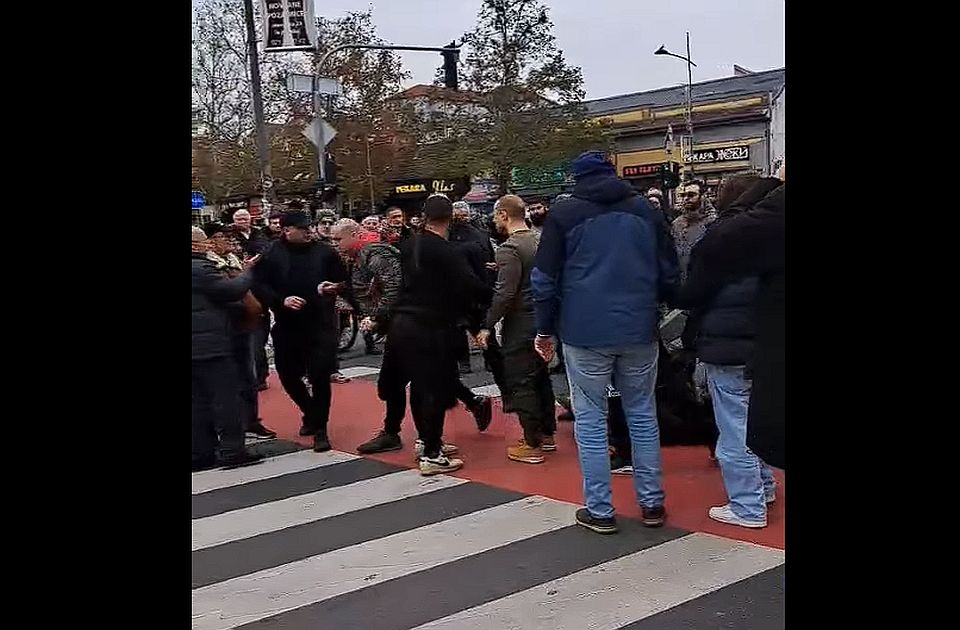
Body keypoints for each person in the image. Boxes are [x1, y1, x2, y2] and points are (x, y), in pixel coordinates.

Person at [531, 151, 679, 534]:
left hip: (583, 330)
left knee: (592, 420)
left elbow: (544, 280)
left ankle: (600, 508)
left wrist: (545, 329)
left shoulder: (564, 213)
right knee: (643, 415)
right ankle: (651, 502)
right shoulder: (646, 211)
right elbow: (669, 270)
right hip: (638, 326)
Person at [377, 195, 492, 474]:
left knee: (420, 386)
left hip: (403, 322)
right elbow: (470, 286)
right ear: (450, 217)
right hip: (431, 325)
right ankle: (431, 453)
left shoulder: (410, 244)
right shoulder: (446, 250)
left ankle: (427, 442)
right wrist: (494, 294)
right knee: (433, 390)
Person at [681, 169, 784, 471]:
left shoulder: (741, 238)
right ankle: (762, 490)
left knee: (735, 426)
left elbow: (719, 240)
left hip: (730, 344)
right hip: (756, 343)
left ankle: (748, 503)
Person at [252, 210, 347, 452]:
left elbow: (344, 280)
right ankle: (310, 412)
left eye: (309, 228)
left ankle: (321, 429)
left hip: (320, 323)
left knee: (319, 375)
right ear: (286, 231)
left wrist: (333, 287)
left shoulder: (325, 252)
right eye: (302, 229)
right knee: (288, 375)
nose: (309, 232)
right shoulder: (272, 252)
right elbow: (259, 283)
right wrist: (281, 300)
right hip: (287, 323)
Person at [477, 195, 556, 464]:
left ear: (503, 215)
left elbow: (505, 293)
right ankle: (547, 434)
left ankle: (531, 442)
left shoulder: (509, 248)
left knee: (521, 379)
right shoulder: (539, 239)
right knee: (540, 376)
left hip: (519, 320)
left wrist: (487, 323)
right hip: (542, 318)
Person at [192, 228, 264, 470]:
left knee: (197, 401)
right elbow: (231, 290)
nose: (209, 246)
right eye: (204, 243)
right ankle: (232, 449)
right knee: (225, 398)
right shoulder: (199, 268)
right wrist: (246, 272)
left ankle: (201, 451)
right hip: (210, 344)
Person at [202, 224, 278, 441]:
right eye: (219, 237)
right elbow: (231, 289)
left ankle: (251, 420)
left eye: (227, 236)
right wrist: (245, 273)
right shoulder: (208, 265)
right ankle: (226, 427)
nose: (226, 241)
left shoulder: (232, 259)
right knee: (225, 381)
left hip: (244, 323)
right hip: (223, 328)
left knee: (248, 375)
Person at [671, 180, 717, 283]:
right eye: (683, 195)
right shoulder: (676, 224)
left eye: (691, 195)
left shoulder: (713, 222)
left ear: (702, 197)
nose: (686, 198)